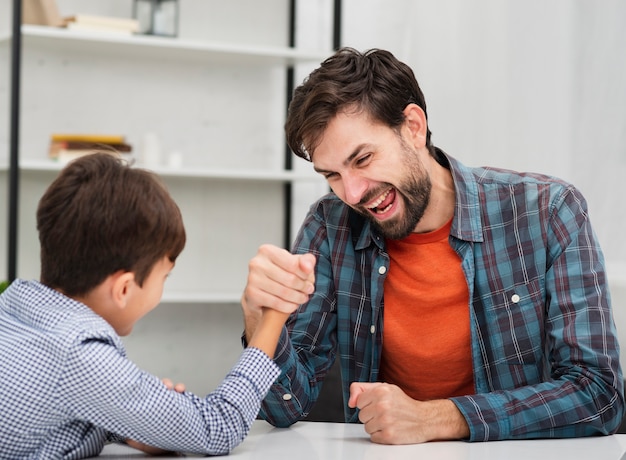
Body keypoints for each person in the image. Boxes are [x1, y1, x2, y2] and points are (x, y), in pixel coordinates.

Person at [240, 47, 624, 444]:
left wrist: (438, 419)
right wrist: (259, 321)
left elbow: (599, 394)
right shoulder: (331, 224)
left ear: (413, 127)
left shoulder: (547, 211)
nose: (352, 193)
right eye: (332, 175)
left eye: (364, 159)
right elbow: (285, 405)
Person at [0, 153, 299, 458]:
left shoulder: (11, 309)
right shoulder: (79, 354)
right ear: (124, 288)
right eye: (164, 277)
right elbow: (217, 428)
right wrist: (273, 317)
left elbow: (49, 414)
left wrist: (135, 425)